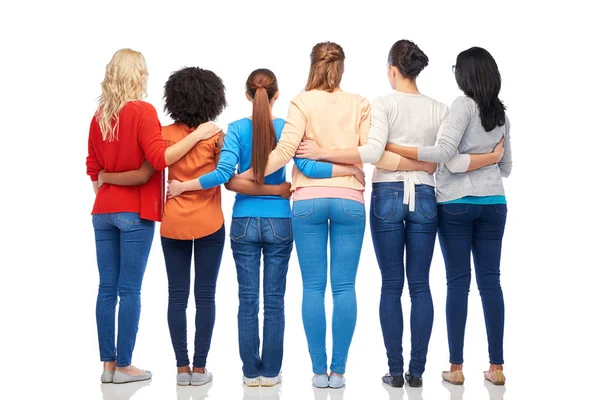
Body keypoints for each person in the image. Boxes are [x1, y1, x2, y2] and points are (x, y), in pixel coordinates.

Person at [295, 40, 504, 388]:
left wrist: (326, 151)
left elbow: (373, 152)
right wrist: (422, 164)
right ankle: (417, 373)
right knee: (421, 285)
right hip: (425, 193)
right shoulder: (440, 108)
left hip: (388, 193)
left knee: (391, 285)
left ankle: (395, 372)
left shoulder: (382, 104)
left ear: (393, 69)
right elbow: (440, 158)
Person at [167, 68, 362, 387]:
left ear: (247, 96)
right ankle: (270, 374)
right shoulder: (287, 128)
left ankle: (250, 373)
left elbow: (225, 178)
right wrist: (348, 167)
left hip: (244, 222)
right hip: (281, 222)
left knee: (247, 299)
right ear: (276, 96)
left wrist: (185, 186)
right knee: (274, 300)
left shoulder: (235, 129)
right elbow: (308, 166)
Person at [236, 42, 369, 389]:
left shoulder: (301, 101)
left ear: (313, 66)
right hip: (349, 199)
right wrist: (348, 168)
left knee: (313, 286)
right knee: (343, 287)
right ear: (341, 68)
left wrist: (248, 175)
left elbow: (284, 153)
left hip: (307, 201)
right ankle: (337, 372)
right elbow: (369, 151)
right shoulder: (359, 103)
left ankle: (317, 369)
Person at [86, 50, 220, 384]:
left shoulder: (99, 115)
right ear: (136, 75)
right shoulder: (143, 112)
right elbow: (159, 161)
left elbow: (93, 169)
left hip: (102, 211)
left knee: (106, 289)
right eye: (143, 72)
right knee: (129, 290)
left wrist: (108, 186)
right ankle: (125, 365)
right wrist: (198, 134)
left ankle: (107, 367)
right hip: (136, 212)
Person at [383, 46, 512, 386]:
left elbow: (447, 159)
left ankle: (456, 369)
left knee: (458, 283)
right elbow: (507, 166)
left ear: (467, 74)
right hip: (494, 203)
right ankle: (496, 366)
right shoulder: (501, 115)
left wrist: (393, 147)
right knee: (491, 281)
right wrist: (489, 157)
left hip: (456, 204)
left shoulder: (461, 106)